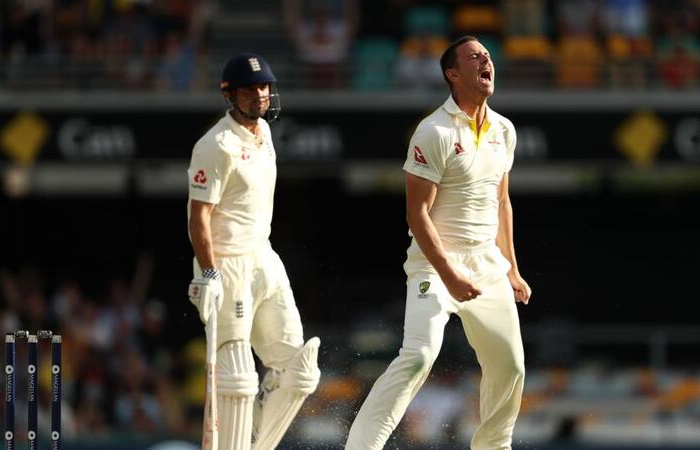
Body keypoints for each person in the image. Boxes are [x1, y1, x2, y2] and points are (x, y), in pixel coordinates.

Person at [345, 35, 532, 450]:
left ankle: (492, 447)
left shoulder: (504, 130)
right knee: (418, 356)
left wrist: (513, 269)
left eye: (487, 55)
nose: (486, 60)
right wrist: (449, 274)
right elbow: (418, 215)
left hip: (488, 264)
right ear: (453, 73)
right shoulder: (433, 131)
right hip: (435, 264)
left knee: (510, 365)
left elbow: (501, 201)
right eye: (474, 57)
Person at [186, 52, 320, 450]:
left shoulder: (264, 132)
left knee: (299, 373)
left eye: (264, 88)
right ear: (229, 94)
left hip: (265, 257)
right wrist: (208, 273)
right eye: (250, 90)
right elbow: (199, 218)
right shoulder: (215, 145)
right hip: (227, 264)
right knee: (238, 378)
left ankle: (256, 442)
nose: (260, 96)